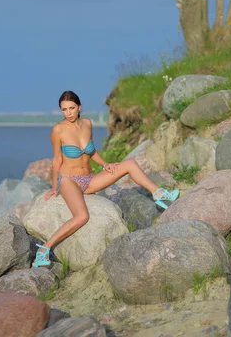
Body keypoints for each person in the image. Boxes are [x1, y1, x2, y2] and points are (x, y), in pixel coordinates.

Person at [33, 90, 180, 267]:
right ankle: (44, 249)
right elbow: (56, 159)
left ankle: (158, 194)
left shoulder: (87, 124)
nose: (69, 113)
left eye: (72, 108)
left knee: (130, 164)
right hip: (68, 180)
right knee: (81, 216)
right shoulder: (58, 130)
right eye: (64, 109)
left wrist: (105, 164)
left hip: (89, 180)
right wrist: (54, 185)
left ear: (79, 107)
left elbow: (91, 151)